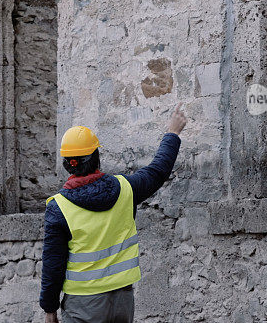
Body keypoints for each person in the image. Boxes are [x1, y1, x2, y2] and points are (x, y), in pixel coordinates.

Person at [40, 104, 187, 323]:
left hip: (83, 305)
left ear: (67, 164)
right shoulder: (126, 189)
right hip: (122, 300)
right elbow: (157, 171)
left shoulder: (59, 207)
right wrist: (172, 133)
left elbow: (53, 264)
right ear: (96, 156)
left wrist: (50, 309)